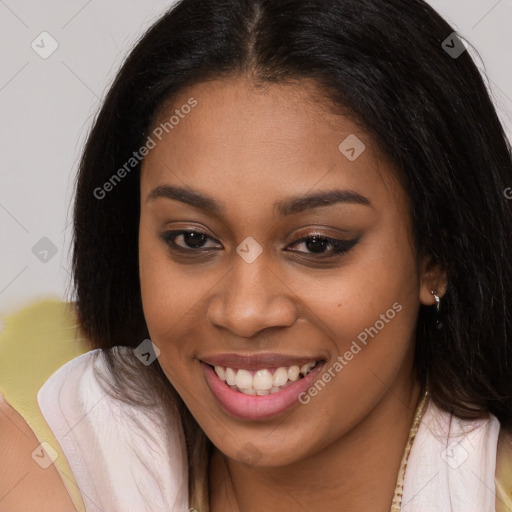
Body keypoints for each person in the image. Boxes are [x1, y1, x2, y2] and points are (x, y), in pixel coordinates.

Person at [1, 0, 512, 510]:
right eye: (192, 239)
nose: (244, 312)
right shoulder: (39, 460)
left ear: (436, 255)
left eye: (317, 244)